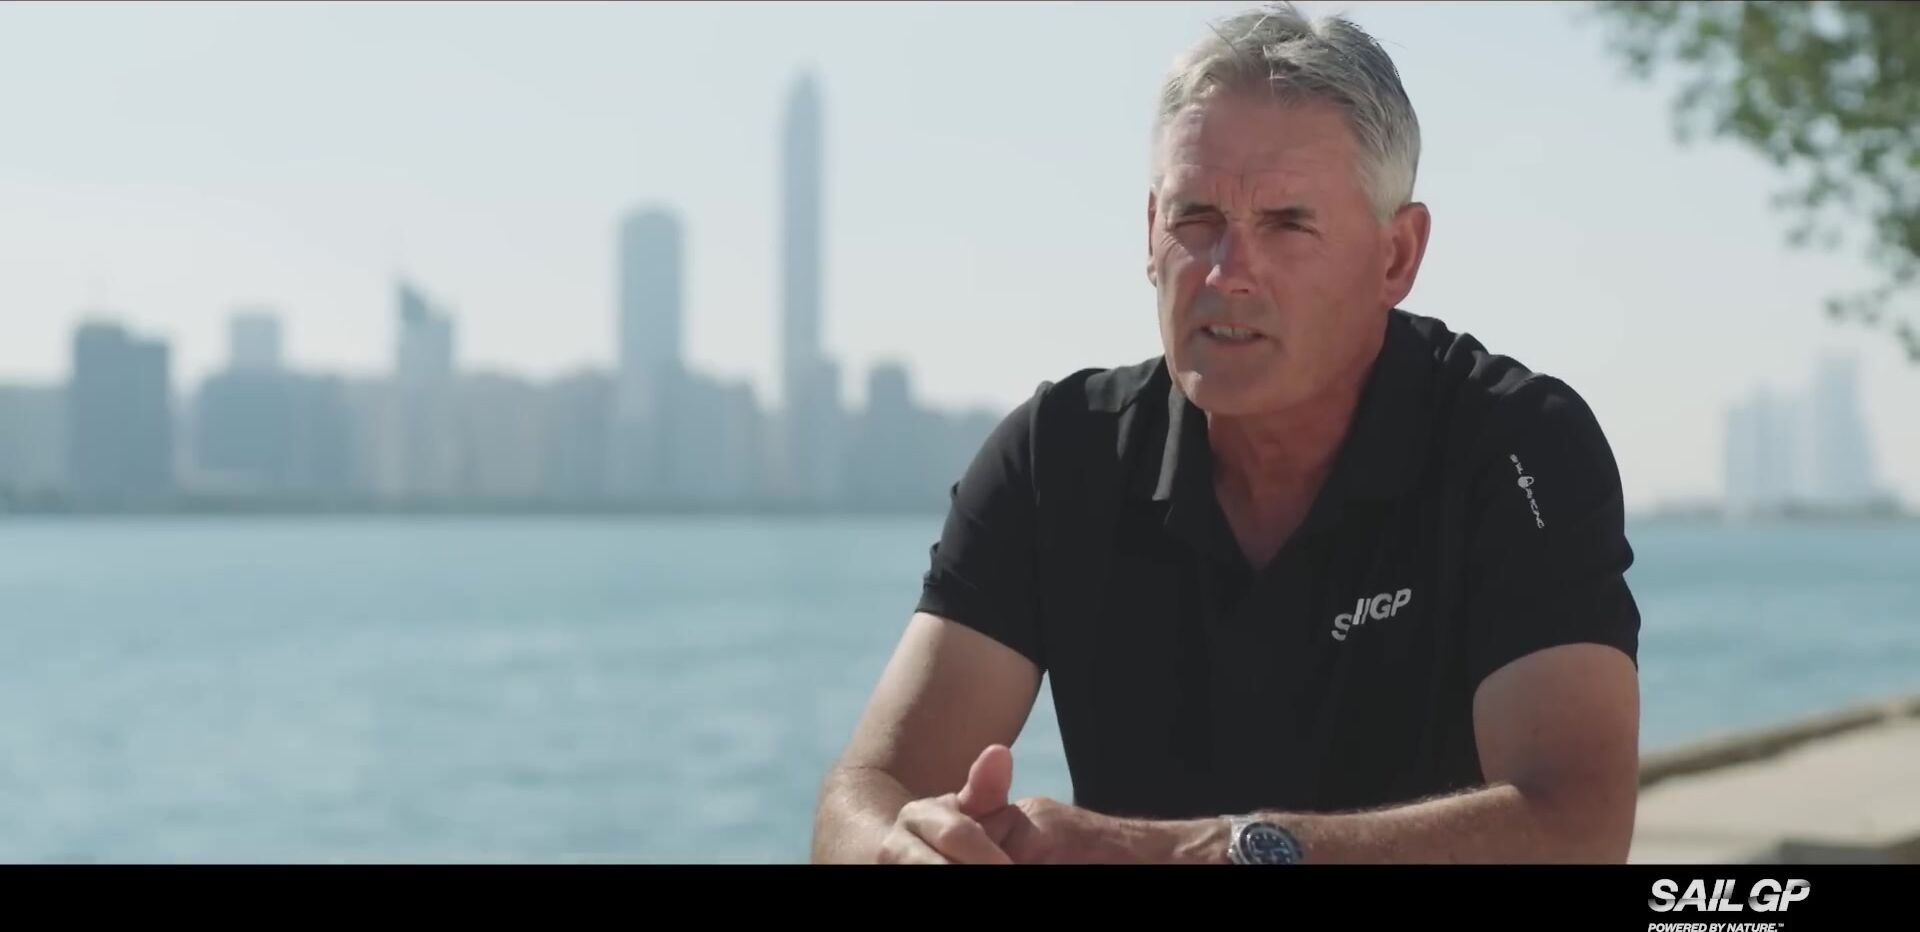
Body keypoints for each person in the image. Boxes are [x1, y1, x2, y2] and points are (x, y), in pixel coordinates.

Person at [810, 1, 1641, 865]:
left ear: (1396, 255)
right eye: (1196, 217)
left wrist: (1180, 854)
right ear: (1150, 233)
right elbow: (866, 794)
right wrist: (908, 853)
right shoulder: (1057, 457)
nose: (1226, 273)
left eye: (1286, 223)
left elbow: (1578, 829)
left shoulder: (1518, 447)